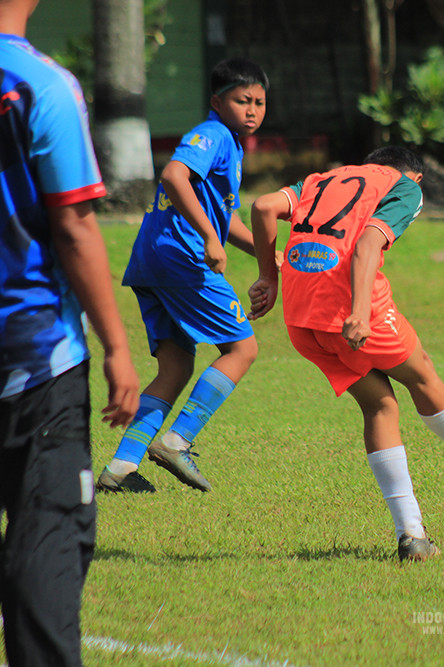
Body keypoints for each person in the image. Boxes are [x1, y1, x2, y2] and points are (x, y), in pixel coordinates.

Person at [248, 146, 444, 562]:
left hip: (302, 319)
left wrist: (268, 278)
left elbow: (262, 206)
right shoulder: (403, 186)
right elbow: (366, 245)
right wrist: (360, 312)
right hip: (355, 312)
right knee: (422, 374)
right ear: (415, 177)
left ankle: (412, 535)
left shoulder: (322, 179)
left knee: (380, 406)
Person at [0, 0, 141, 664]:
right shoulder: (41, 85)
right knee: (48, 532)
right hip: (32, 352)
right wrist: (117, 346)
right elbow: (75, 225)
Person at [95, 57, 269, 494]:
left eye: (260, 102)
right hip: (181, 257)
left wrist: (270, 255)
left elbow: (225, 218)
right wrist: (208, 237)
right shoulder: (213, 134)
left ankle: (120, 469)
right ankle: (177, 441)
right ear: (217, 102)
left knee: (175, 366)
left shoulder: (229, 144)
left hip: (151, 260)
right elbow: (174, 175)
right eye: (242, 100)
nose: (252, 110)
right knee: (242, 348)